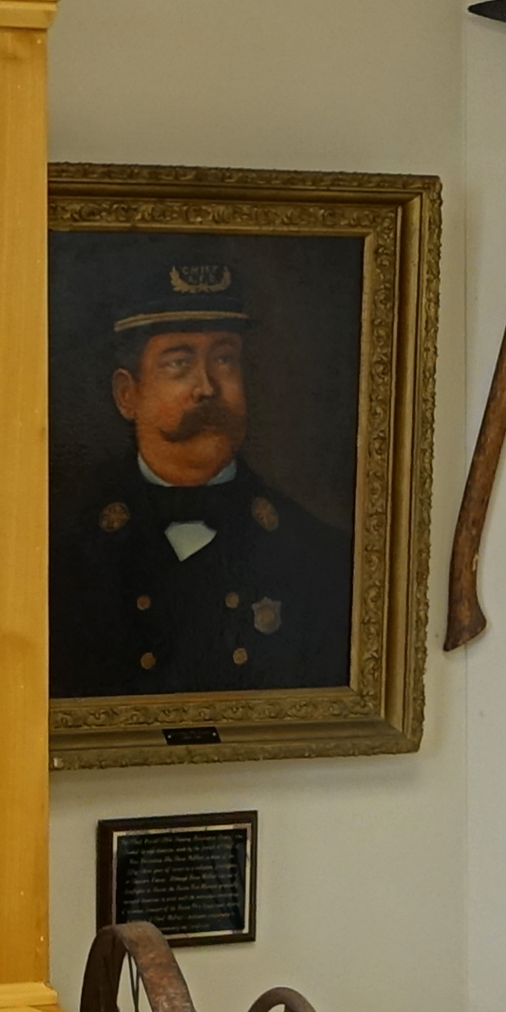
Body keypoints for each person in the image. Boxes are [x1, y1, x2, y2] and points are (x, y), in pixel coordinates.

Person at [54, 259, 350, 696]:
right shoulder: (65, 556)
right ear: (127, 394)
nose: (207, 387)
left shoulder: (316, 554)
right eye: (178, 363)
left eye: (225, 359)